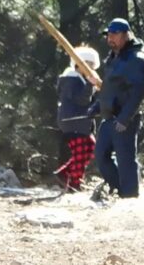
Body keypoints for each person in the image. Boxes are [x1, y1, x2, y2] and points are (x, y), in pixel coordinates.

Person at [89, 18, 144, 198]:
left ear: (126, 35)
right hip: (109, 118)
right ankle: (116, 189)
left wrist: (125, 118)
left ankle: (129, 196)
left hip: (124, 120)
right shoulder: (113, 58)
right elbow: (109, 89)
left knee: (126, 160)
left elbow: (138, 91)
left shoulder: (136, 59)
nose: (110, 39)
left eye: (114, 35)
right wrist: (97, 107)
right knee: (101, 157)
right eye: (109, 35)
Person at [53, 45, 100, 192]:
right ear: (79, 65)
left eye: (93, 66)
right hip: (72, 123)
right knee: (80, 155)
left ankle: (63, 173)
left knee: (91, 149)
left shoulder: (82, 81)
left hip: (81, 123)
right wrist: (90, 85)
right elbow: (81, 100)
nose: (91, 69)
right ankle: (74, 184)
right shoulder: (71, 80)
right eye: (88, 65)